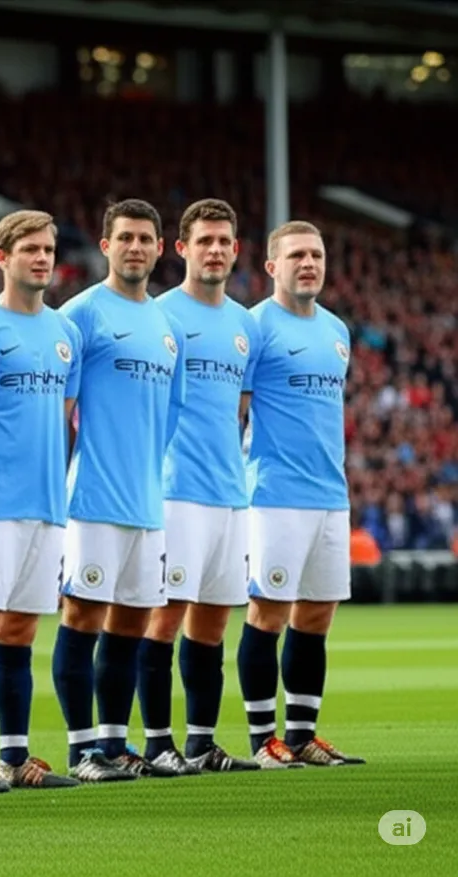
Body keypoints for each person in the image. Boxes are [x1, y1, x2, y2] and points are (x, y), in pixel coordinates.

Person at [52, 199, 187, 780]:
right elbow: (60, 411)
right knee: (82, 617)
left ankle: (113, 742)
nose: (136, 247)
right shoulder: (80, 315)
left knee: (132, 622)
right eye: (125, 237)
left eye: (145, 238)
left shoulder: (167, 326)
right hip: (93, 498)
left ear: (159, 248)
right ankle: (81, 748)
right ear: (105, 245)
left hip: (146, 500)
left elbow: (171, 414)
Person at [0, 209, 82, 794]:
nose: (42, 258)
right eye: (29, 248)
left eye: (48, 248)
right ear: (1, 257)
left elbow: (62, 420)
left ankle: (15, 757)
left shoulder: (65, 334)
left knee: (22, 632)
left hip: (48, 504)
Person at [136, 199, 260, 772]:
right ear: (181, 249)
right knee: (165, 617)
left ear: (236, 250)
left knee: (213, 620)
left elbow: (238, 410)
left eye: (224, 241)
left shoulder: (244, 325)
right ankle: (158, 742)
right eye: (204, 240)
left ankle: (201, 742)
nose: (215, 250)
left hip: (230, 494)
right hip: (175, 491)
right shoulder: (159, 315)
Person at [237, 220, 365, 768]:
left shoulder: (338, 331)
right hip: (273, 494)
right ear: (272, 267)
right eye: (296, 256)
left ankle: (302, 735)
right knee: (267, 613)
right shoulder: (254, 327)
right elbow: (234, 411)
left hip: (329, 496)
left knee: (316, 617)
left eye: (316, 254)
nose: (309, 263)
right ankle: (262, 739)